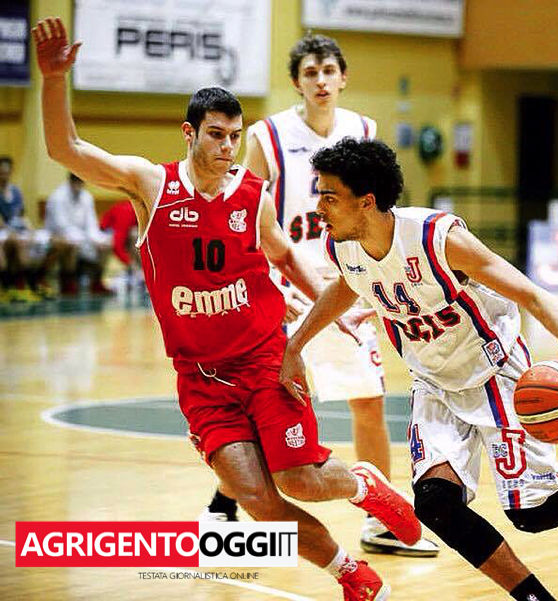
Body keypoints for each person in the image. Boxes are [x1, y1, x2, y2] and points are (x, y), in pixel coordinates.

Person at [32, 17, 420, 600]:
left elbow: (284, 255)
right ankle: (351, 575)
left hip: (264, 361)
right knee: (257, 499)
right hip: (200, 377)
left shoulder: (251, 194)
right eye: (216, 135)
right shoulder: (150, 185)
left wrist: (332, 310)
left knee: (301, 480)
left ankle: (364, 485)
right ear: (189, 134)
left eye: (235, 136)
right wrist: (54, 80)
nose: (227, 147)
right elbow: (66, 148)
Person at [280, 137, 558, 601]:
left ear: (366, 201)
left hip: (495, 373)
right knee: (435, 505)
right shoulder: (343, 247)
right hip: (434, 383)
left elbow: (531, 294)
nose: (319, 208)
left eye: (329, 197)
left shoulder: (437, 239)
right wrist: (297, 344)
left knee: (533, 513)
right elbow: (348, 285)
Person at [200, 33, 439, 557]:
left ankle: (379, 520)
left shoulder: (364, 130)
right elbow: (241, 210)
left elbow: (381, 211)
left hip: (346, 284)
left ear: (343, 78)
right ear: (296, 82)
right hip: (282, 286)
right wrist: (256, 283)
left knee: (368, 399)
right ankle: (222, 502)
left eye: (329, 71)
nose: (321, 80)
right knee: (268, 409)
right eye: (311, 72)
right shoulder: (268, 135)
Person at [44, 172, 112, 295]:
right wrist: (83, 239)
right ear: (70, 181)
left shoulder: (87, 197)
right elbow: (61, 226)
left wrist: (97, 240)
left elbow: (91, 224)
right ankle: (68, 282)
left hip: (82, 237)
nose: (79, 186)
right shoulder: (58, 197)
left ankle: (96, 282)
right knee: (72, 244)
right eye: (76, 182)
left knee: (107, 244)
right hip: (58, 236)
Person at [0, 156, 55, 300]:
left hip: (16, 229)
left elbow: (22, 215)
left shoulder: (16, 191)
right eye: (1, 173)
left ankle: (37, 279)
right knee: (20, 242)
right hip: (4, 231)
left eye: (7, 173)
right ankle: (17, 285)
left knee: (45, 240)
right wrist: (14, 232)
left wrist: (31, 231)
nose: (4, 176)